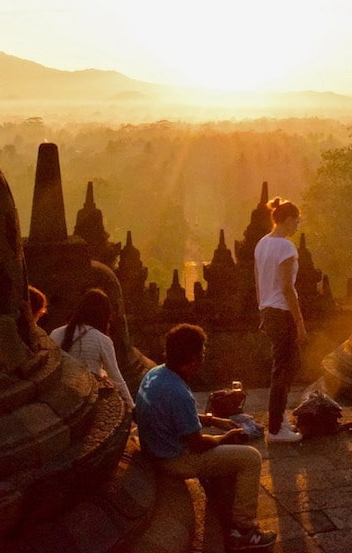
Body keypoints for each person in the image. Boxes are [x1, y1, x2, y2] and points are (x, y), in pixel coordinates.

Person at [135, 324, 277, 552]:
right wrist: (226, 437)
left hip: (153, 448)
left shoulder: (156, 374)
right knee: (250, 458)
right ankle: (244, 530)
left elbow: (174, 414)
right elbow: (198, 444)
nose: (202, 360)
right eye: (201, 355)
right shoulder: (179, 392)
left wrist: (213, 421)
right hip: (173, 460)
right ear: (192, 360)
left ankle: (225, 506)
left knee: (224, 446)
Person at [253, 197, 306, 443]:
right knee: (283, 370)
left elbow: (258, 283)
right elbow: (287, 288)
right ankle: (275, 429)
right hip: (282, 312)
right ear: (286, 220)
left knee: (286, 365)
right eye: (296, 220)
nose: (298, 225)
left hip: (268, 309)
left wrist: (262, 310)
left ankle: (279, 419)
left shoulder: (262, 244)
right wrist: (299, 322)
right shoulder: (286, 247)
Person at [50, 288, 134, 412]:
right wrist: (132, 406)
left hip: (57, 399)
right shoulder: (101, 340)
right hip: (86, 402)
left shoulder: (56, 333)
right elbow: (116, 378)